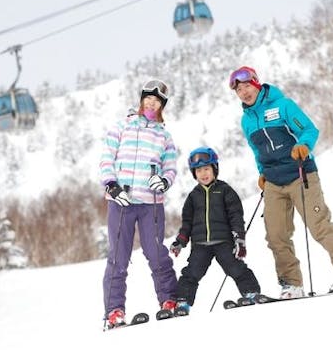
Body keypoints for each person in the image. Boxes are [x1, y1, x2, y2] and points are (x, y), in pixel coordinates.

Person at [228, 65, 333, 299]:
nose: (244, 93)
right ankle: (291, 285)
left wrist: (304, 145)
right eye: (238, 90)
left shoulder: (283, 105)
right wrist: (262, 172)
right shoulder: (246, 121)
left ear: (256, 83)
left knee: (318, 224)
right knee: (276, 235)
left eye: (246, 86)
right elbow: (256, 150)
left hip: (300, 172)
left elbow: (309, 130)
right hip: (273, 181)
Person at [99, 79, 178, 329]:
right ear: (141, 99)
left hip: (151, 204)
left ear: (162, 105)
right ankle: (114, 311)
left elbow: (171, 167)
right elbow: (106, 159)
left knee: (156, 253)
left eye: (157, 101)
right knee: (118, 258)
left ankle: (169, 300)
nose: (151, 103)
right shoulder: (121, 126)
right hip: (121, 201)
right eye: (148, 98)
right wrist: (111, 184)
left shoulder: (164, 135)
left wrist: (164, 181)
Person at [169, 146, 261, 315]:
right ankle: (182, 303)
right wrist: (180, 241)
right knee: (191, 273)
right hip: (200, 245)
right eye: (198, 170)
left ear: (214, 169)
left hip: (224, 242)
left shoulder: (225, 190)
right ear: (194, 173)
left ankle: (252, 293)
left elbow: (236, 216)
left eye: (206, 169)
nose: (203, 174)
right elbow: (187, 223)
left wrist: (239, 239)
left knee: (236, 268)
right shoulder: (193, 196)